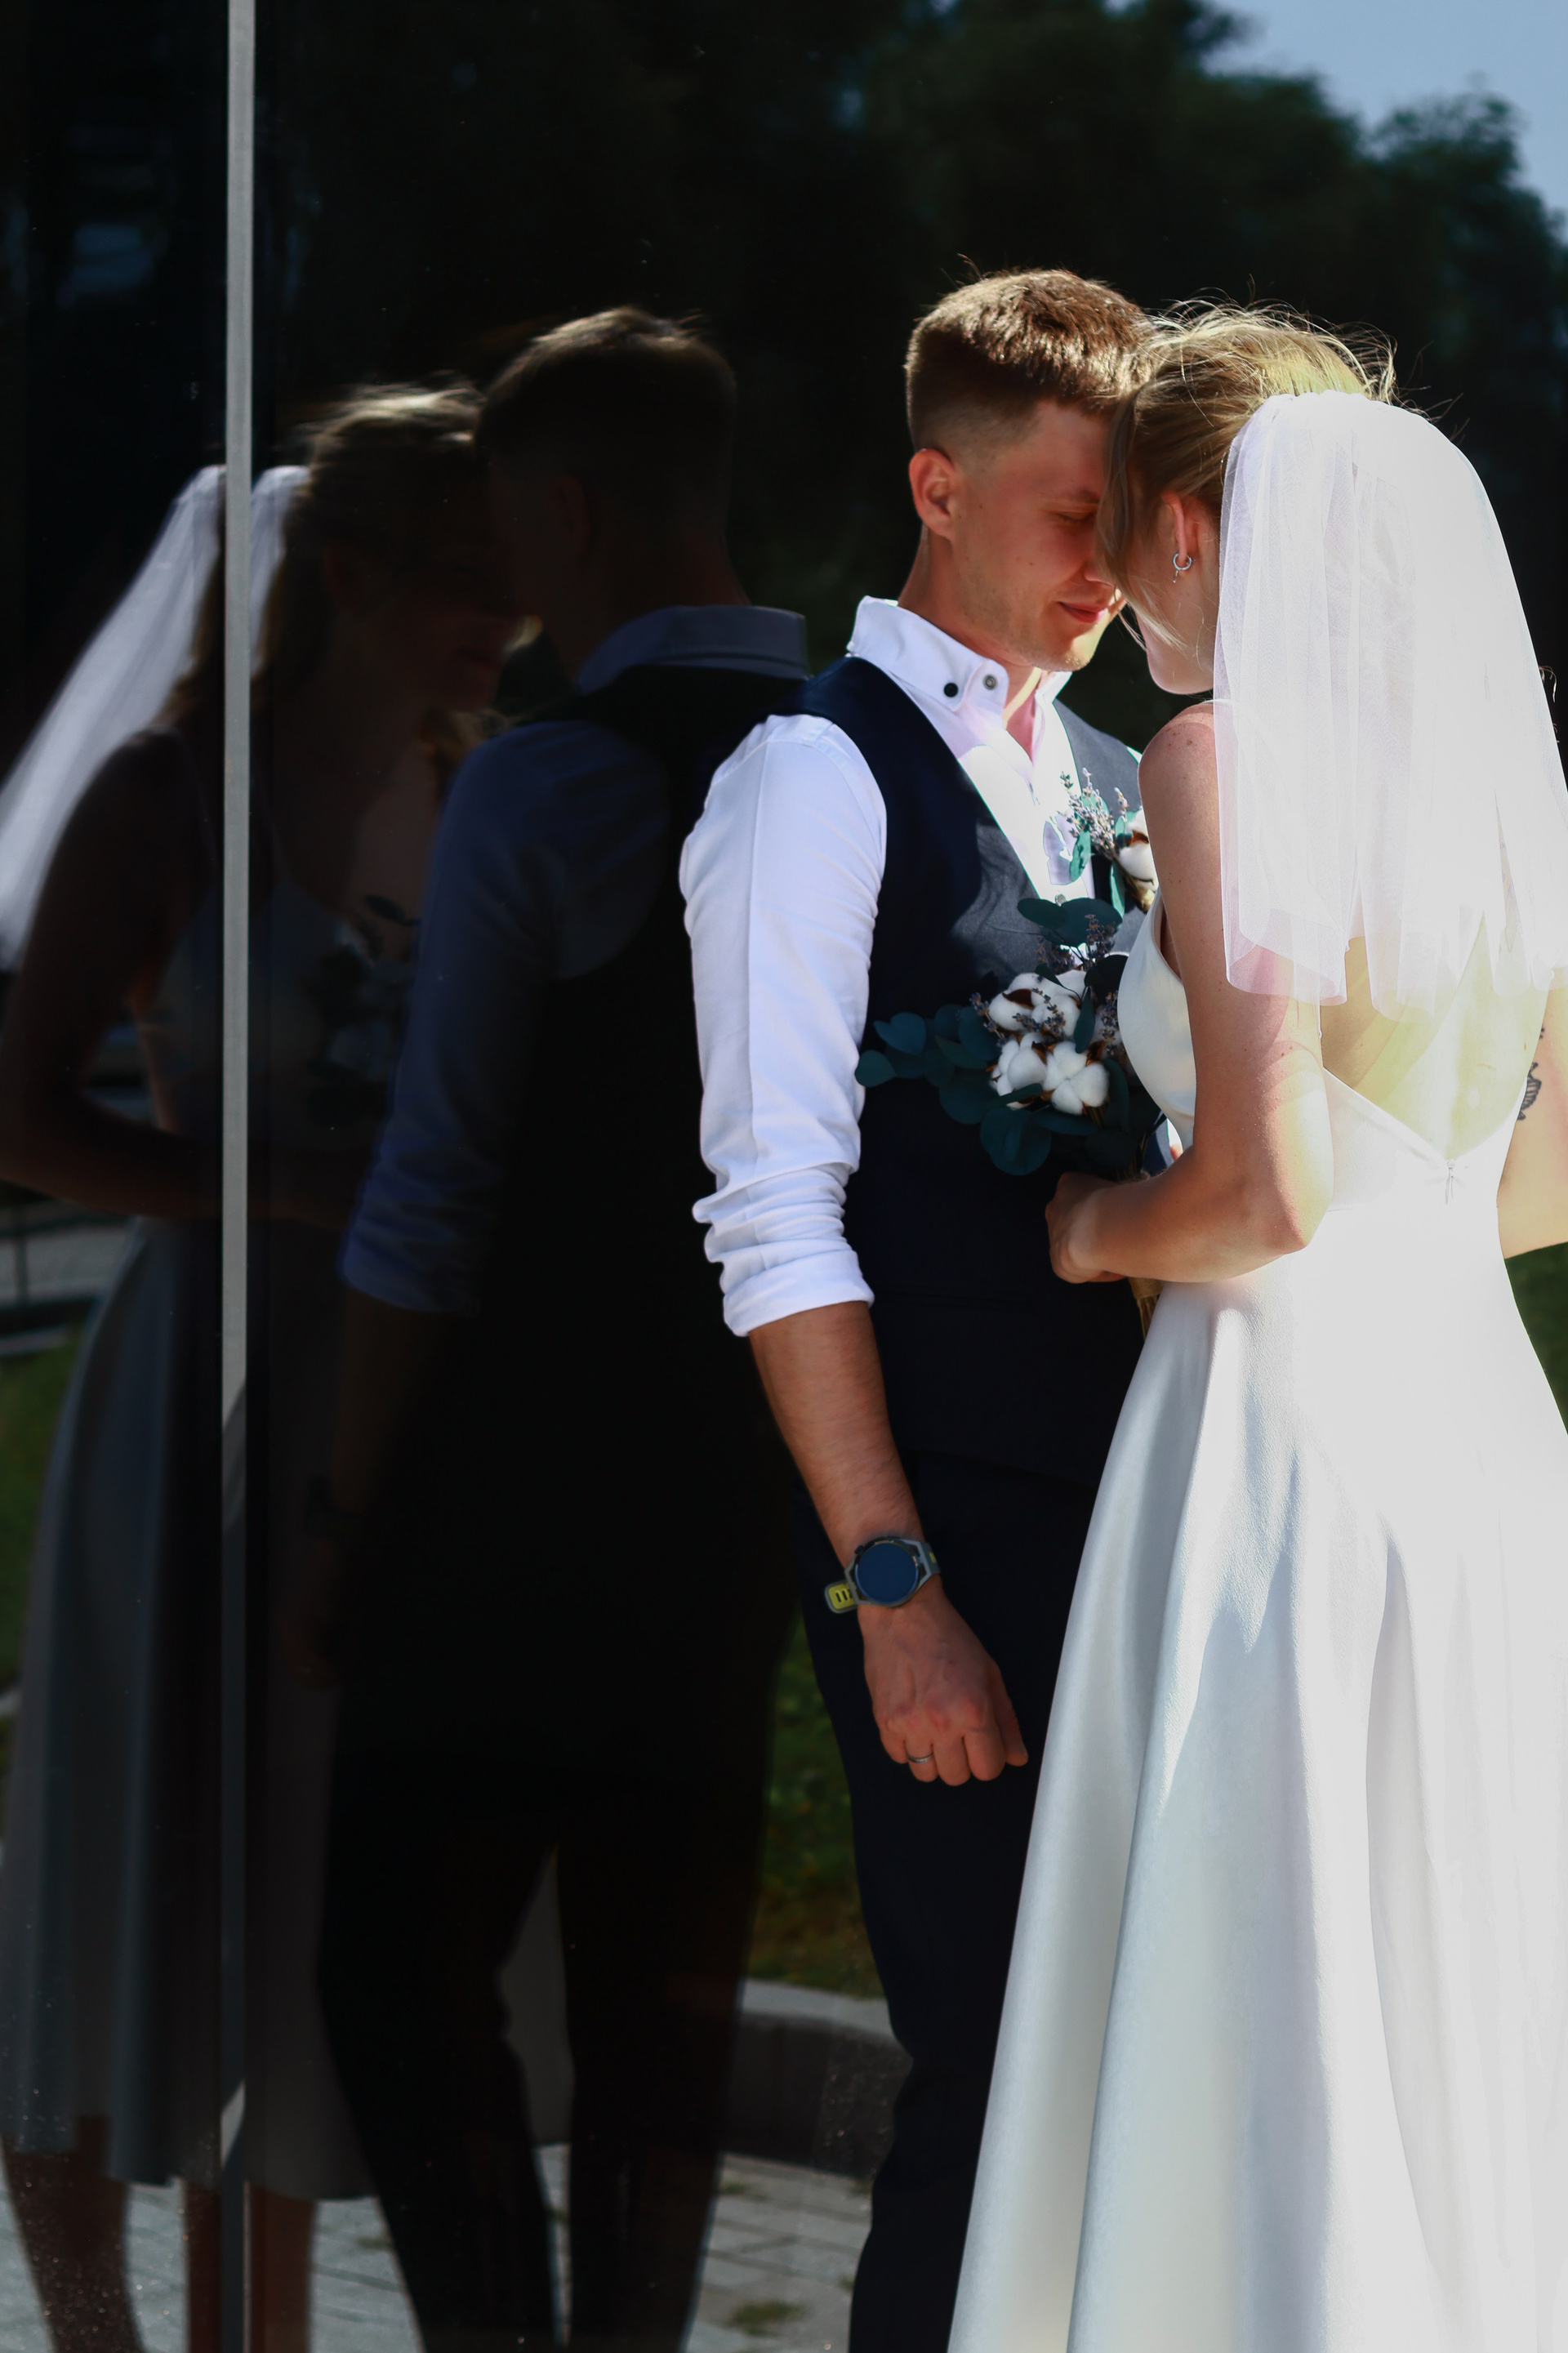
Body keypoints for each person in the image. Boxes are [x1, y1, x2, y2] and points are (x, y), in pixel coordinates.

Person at [947, 311, 1568, 2351]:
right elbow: (1553, 1172)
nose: (1120, 588)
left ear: (1201, 527)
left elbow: (1261, 1193)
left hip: (1279, 1440)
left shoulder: (1225, 763)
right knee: (1442, 1988)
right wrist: (1412, 1243)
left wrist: (1084, 1230)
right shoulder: (1507, 793)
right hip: (1484, 1437)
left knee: (1270, 1986)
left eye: (1129, 535)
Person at [287, 308, 806, 2352]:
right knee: (658, 2017)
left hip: (515, 1498)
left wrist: (346, 1518)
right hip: (746, 1486)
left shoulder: (550, 782)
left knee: (393, 1972)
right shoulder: (857, 754)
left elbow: (432, 1199)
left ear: (567, 510)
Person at [0, 385, 519, 2353]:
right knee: (123, 1883)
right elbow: (25, 1118)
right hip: (198, 1387)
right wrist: (285, 1186)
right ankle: (92, 2333)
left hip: (393, 1391)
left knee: (295, 1917)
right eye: (468, 576)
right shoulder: (166, 800)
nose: (506, 617)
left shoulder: (483, 790)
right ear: (350, 574)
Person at [680, 267, 1152, 2353]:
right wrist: (893, 1588)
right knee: (990, 2085)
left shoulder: (1121, 777)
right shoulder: (813, 777)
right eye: (1072, 516)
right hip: (948, 1530)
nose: (1107, 568)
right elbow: (775, 1215)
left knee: (1131, 2078)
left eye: (1130, 523)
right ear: (936, 488)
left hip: (1143, 1509)